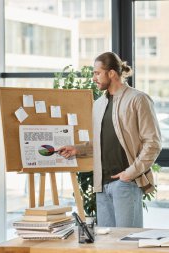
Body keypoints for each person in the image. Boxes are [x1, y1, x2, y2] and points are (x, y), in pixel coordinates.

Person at [58, 52, 161, 228]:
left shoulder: (138, 99)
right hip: (101, 186)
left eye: (97, 73)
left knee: (127, 244)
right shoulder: (98, 104)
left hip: (126, 183)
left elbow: (153, 143)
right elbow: (101, 141)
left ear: (112, 73)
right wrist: (78, 149)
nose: (93, 78)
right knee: (106, 244)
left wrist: (130, 173)